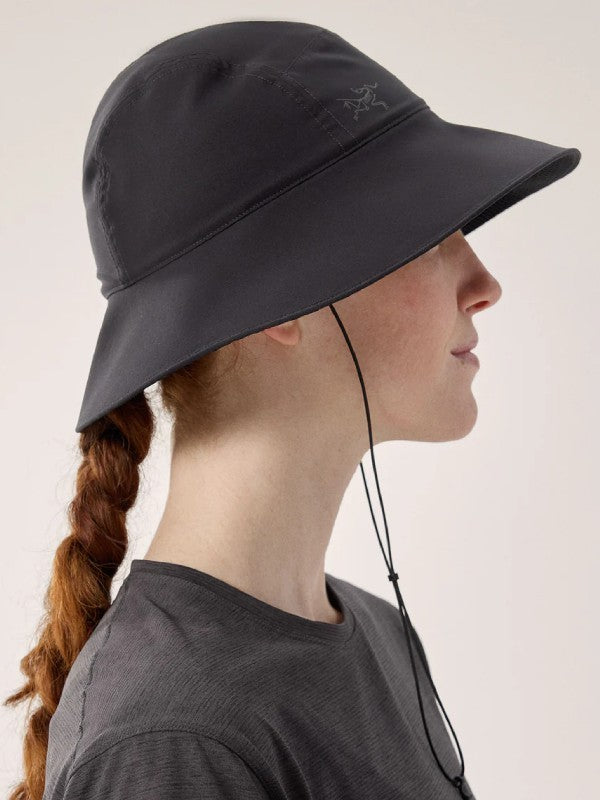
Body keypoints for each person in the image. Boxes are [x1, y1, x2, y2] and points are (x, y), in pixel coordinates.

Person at [4, 18, 579, 800]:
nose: (484, 283)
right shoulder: (172, 741)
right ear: (283, 296)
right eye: (428, 232)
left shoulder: (378, 635)